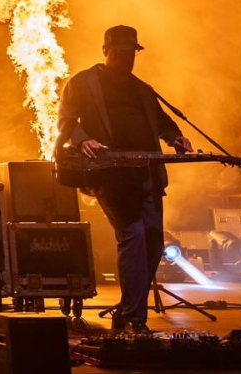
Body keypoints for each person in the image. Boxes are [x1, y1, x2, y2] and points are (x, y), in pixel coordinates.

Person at [58, 25, 191, 334]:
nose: (127, 58)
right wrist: (82, 140)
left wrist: (176, 137)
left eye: (132, 53)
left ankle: (128, 309)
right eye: (120, 52)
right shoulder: (83, 83)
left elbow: (163, 122)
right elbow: (66, 120)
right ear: (106, 50)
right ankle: (134, 318)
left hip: (146, 175)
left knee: (154, 242)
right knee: (133, 236)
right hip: (111, 175)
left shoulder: (142, 89)